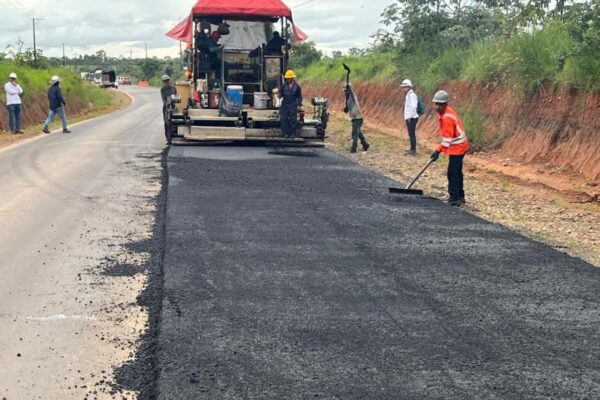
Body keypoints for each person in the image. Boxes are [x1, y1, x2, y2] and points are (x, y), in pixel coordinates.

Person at [430, 90, 469, 206]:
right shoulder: (446, 112)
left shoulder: (447, 117)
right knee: (457, 172)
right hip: (459, 145)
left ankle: (454, 198)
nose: (437, 107)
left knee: (452, 173)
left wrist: (437, 151)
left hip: (458, 146)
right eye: (436, 104)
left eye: (440, 104)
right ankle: (460, 196)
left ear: (445, 104)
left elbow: (447, 140)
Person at [343, 83, 369, 153]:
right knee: (358, 133)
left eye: (346, 91)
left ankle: (353, 148)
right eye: (344, 91)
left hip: (358, 118)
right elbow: (346, 109)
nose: (345, 92)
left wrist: (349, 87)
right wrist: (345, 108)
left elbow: (352, 92)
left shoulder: (353, 97)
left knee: (354, 134)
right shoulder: (346, 100)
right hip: (354, 119)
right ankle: (365, 144)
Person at [279, 70, 302, 138]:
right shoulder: (284, 86)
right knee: (284, 119)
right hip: (285, 105)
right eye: (287, 78)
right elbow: (280, 94)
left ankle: (293, 134)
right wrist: (279, 95)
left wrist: (298, 104)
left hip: (293, 105)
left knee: (293, 120)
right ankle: (285, 133)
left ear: (292, 78)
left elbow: (300, 97)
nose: (287, 80)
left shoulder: (297, 87)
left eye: (289, 78)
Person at [401, 79, 419, 155]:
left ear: (408, 87)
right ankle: (412, 148)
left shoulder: (412, 95)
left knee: (412, 134)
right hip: (410, 117)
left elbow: (413, 107)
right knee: (410, 134)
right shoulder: (408, 95)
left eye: (404, 87)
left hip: (412, 118)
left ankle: (413, 150)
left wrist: (410, 117)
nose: (403, 89)